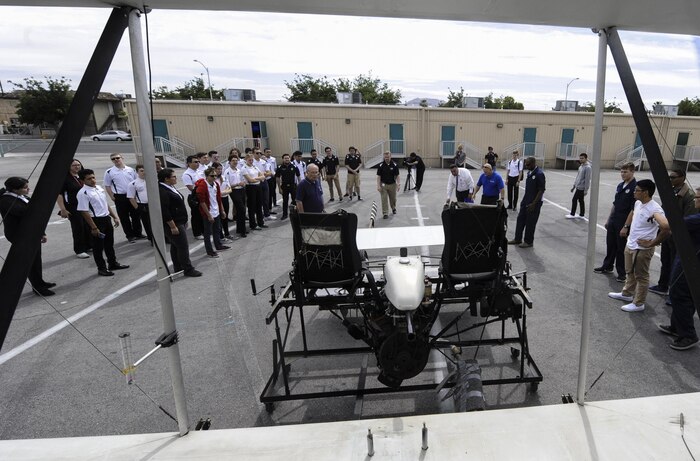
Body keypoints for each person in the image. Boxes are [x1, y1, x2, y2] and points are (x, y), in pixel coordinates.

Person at [608, 179, 669, 312]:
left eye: (637, 190)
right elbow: (632, 212)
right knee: (630, 272)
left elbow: (665, 227)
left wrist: (653, 243)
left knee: (641, 276)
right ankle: (627, 294)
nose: (634, 192)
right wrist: (626, 226)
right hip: (631, 243)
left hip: (642, 249)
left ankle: (638, 303)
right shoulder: (638, 203)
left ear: (646, 192)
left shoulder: (655, 209)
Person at [658, 187, 700, 350]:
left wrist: (654, 212)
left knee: (679, 294)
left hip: (689, 263)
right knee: (683, 295)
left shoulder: (697, 219)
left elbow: (669, 225)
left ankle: (688, 334)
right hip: (687, 260)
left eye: (698, 197)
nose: (695, 199)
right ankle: (678, 327)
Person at [0, 177, 56, 296]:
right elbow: (26, 213)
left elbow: (34, 217)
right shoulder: (6, 200)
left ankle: (40, 282)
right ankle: (38, 287)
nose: (28, 189)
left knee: (36, 259)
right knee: (30, 260)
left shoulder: (22, 197)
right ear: (15, 189)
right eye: (25, 188)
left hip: (31, 232)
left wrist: (41, 232)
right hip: (19, 234)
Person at [649, 169, 696, 296]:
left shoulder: (689, 196)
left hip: (678, 237)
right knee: (665, 261)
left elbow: (688, 218)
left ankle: (673, 292)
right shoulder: (672, 192)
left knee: (676, 265)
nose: (670, 180)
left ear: (682, 178)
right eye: (669, 177)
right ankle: (662, 285)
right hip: (668, 234)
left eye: (673, 177)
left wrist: (674, 231)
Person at [77, 169, 129, 276]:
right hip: (96, 221)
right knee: (98, 247)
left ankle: (113, 263)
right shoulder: (83, 193)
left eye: (93, 177)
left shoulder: (99, 188)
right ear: (82, 181)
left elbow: (105, 204)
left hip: (106, 219)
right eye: (89, 179)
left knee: (109, 244)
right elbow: (84, 211)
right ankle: (101, 268)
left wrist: (114, 216)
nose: (92, 180)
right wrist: (94, 227)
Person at [594, 162, 637, 282]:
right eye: (622, 172)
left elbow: (633, 210)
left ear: (632, 172)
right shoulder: (621, 185)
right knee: (610, 244)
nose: (623, 174)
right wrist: (609, 219)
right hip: (614, 219)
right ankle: (607, 266)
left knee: (621, 248)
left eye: (626, 172)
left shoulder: (634, 188)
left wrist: (626, 226)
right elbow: (615, 204)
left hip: (623, 220)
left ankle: (622, 272)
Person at [158, 168, 202, 277]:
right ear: (166, 179)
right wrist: (172, 226)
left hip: (179, 221)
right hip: (174, 223)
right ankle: (188, 269)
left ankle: (178, 266)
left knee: (175, 245)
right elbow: (165, 210)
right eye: (173, 176)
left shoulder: (169, 187)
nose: (175, 178)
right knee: (183, 246)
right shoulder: (162, 191)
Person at [104, 153, 143, 242]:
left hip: (132, 196)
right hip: (120, 197)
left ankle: (138, 233)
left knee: (136, 215)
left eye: (117, 158)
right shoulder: (109, 172)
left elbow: (136, 182)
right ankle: (130, 235)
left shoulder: (131, 170)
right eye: (113, 159)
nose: (116, 160)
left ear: (122, 158)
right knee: (124, 217)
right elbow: (107, 185)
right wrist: (112, 196)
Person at [56, 158, 92, 258]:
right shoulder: (65, 179)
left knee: (88, 225)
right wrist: (63, 209)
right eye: (74, 165)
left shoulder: (83, 177)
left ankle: (89, 245)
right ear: (68, 167)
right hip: (73, 206)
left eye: (78, 165)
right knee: (78, 227)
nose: (77, 167)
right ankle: (79, 250)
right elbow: (59, 194)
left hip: (86, 205)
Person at [508, 157, 545, 248]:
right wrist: (523, 201)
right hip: (526, 200)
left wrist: (534, 204)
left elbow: (541, 190)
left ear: (533, 163)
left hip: (534, 203)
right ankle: (517, 239)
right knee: (520, 220)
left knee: (530, 223)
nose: (526, 166)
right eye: (525, 164)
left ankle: (528, 241)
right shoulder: (529, 173)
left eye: (528, 164)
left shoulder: (539, 174)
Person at [195, 167, 230, 258]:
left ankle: (218, 245)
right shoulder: (202, 185)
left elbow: (218, 199)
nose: (214, 177)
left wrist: (222, 210)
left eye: (215, 175)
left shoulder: (215, 184)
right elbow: (202, 202)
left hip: (216, 211)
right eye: (212, 175)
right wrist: (208, 215)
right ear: (207, 176)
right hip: (208, 212)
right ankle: (209, 251)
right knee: (207, 233)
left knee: (217, 229)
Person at [126, 165, 153, 242]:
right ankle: (151, 239)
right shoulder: (133, 184)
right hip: (143, 205)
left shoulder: (152, 180)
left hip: (153, 204)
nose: (144, 172)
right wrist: (138, 208)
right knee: (148, 224)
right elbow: (131, 197)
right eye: (141, 171)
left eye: (145, 170)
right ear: (137, 172)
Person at [223, 155, 248, 238]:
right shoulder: (227, 171)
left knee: (241, 210)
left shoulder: (239, 170)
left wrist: (243, 183)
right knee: (242, 209)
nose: (235, 162)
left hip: (241, 189)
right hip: (234, 191)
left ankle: (240, 229)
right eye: (233, 160)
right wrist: (237, 184)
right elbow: (227, 185)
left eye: (236, 160)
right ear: (229, 162)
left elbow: (242, 180)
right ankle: (242, 231)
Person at [241, 153, 267, 230]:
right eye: (249, 160)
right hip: (250, 188)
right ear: (246, 160)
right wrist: (258, 178)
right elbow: (250, 180)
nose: (251, 161)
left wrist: (256, 179)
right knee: (252, 206)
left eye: (252, 160)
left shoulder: (254, 166)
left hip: (258, 186)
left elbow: (263, 176)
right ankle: (253, 224)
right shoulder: (244, 168)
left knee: (259, 205)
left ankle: (260, 222)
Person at [181, 155, 204, 240]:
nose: (197, 163)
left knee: (202, 214)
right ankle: (197, 233)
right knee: (196, 215)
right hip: (193, 196)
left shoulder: (199, 172)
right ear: (189, 163)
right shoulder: (187, 174)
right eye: (195, 162)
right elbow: (191, 187)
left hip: (201, 195)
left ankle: (203, 230)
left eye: (198, 162)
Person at [565, 153, 592, 219]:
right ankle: (582, 214)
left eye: (582, 158)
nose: (581, 159)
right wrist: (574, 186)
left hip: (582, 188)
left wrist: (586, 190)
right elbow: (578, 177)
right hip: (578, 186)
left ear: (586, 158)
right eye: (580, 158)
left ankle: (572, 214)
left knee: (574, 199)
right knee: (581, 200)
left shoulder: (588, 168)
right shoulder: (581, 166)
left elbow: (587, 179)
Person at [376, 151, 400, 219]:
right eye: (385, 157)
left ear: (390, 157)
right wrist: (378, 185)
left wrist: (398, 184)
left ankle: (393, 207)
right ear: (384, 157)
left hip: (392, 184)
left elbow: (397, 175)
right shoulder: (381, 165)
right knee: (384, 199)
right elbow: (378, 176)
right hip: (383, 185)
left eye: (388, 157)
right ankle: (385, 213)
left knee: (393, 199)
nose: (386, 158)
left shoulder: (394, 165)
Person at [276, 153, 300, 220]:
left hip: (293, 186)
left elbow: (298, 176)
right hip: (284, 186)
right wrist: (279, 188)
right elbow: (277, 178)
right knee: (285, 201)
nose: (287, 159)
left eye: (288, 158)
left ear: (290, 158)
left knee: (295, 201)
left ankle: (296, 214)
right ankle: (284, 215)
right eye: (285, 158)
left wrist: (299, 185)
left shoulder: (294, 166)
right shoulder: (280, 167)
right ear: (283, 159)